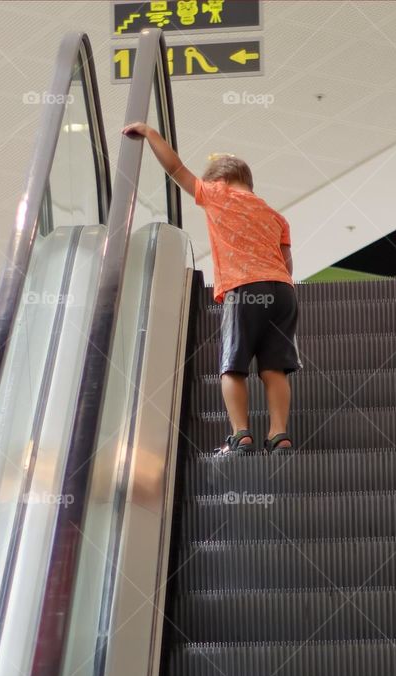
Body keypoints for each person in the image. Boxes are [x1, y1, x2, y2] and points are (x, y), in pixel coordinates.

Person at [121, 122, 300, 454]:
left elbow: (175, 168)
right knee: (274, 367)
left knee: (232, 365)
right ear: (248, 181)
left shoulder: (217, 194)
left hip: (243, 289)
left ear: (218, 180)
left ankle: (241, 433)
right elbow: (287, 263)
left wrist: (150, 133)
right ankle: (279, 435)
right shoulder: (276, 216)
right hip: (283, 292)